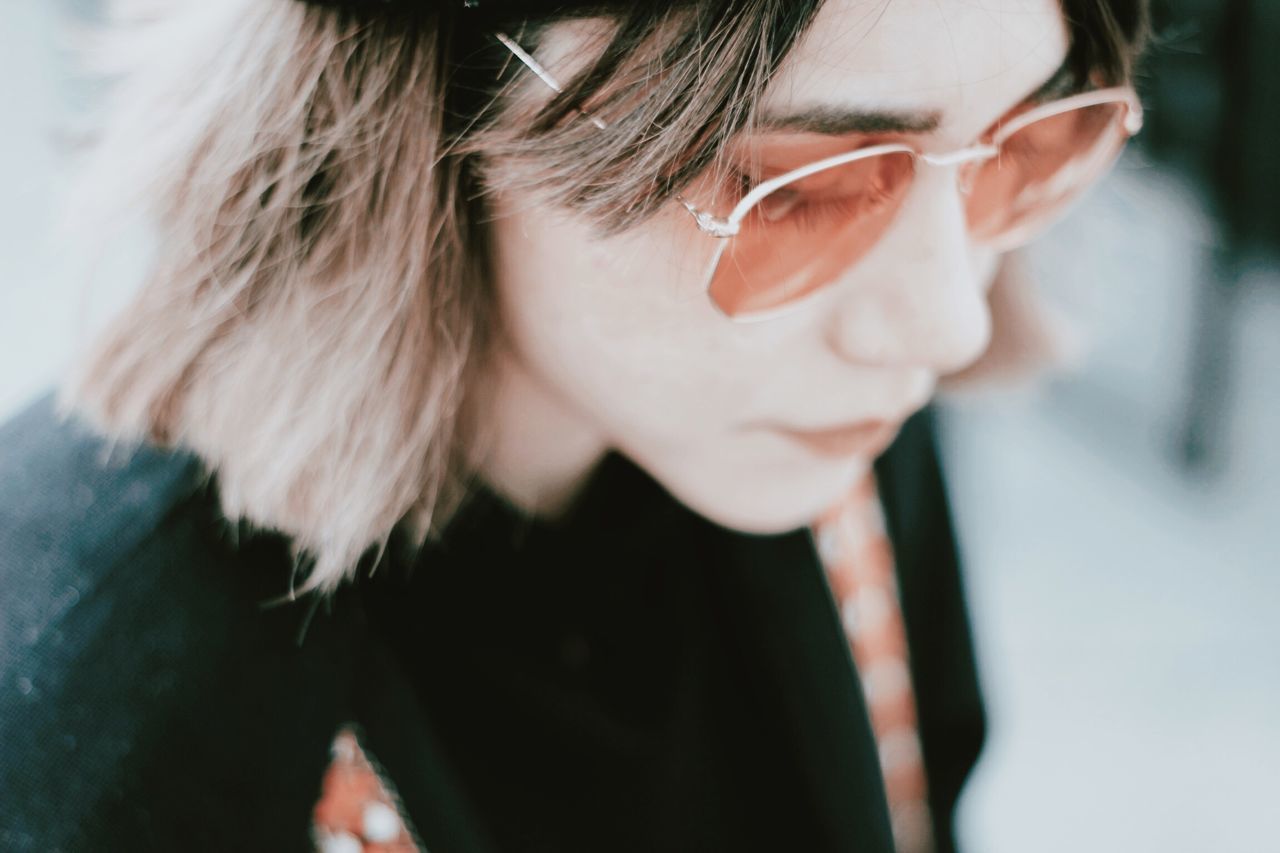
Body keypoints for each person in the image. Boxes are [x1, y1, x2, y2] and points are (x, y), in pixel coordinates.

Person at [0, 0, 1147, 850]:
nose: (946, 317)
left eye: (1018, 147)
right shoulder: (83, 733)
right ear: (438, 100)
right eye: (796, 189)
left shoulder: (813, 432)